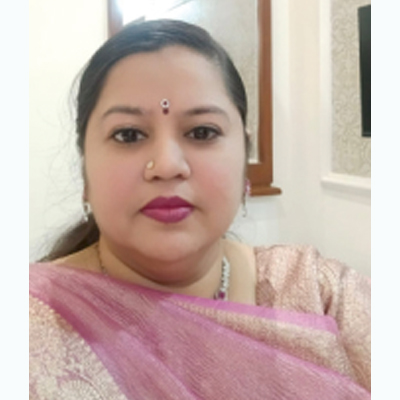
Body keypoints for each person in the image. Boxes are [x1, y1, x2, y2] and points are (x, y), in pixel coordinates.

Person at [29, 19, 371, 399]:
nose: (167, 165)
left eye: (202, 132)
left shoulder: (322, 294)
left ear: (244, 155)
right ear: (85, 169)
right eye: (128, 134)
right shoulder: (28, 326)